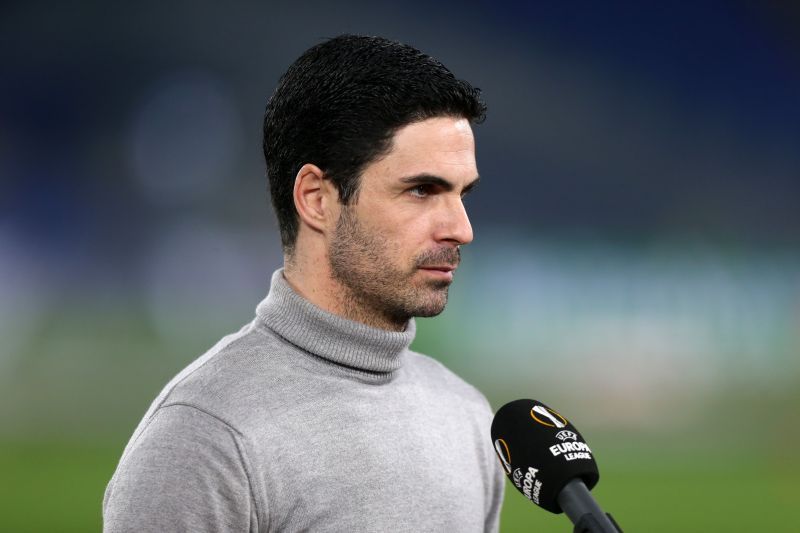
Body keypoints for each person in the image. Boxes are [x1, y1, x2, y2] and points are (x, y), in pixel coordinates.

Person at [103, 34, 505, 532]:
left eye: (462, 193)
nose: (461, 228)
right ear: (316, 199)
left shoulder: (465, 416)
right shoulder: (205, 436)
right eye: (422, 190)